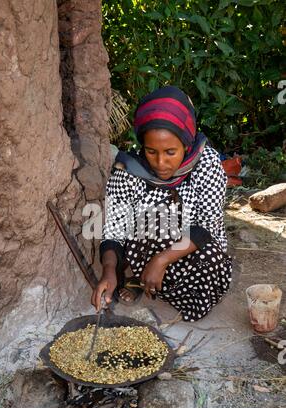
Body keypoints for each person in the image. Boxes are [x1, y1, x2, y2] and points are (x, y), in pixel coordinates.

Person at [91, 86, 232, 322]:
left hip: (193, 246)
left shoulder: (206, 162)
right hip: (146, 250)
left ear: (186, 144)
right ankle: (139, 276)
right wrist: (108, 271)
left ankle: (154, 278)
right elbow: (113, 231)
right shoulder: (128, 170)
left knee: (210, 261)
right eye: (151, 151)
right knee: (154, 216)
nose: (160, 162)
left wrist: (162, 260)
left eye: (170, 152)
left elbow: (207, 225)